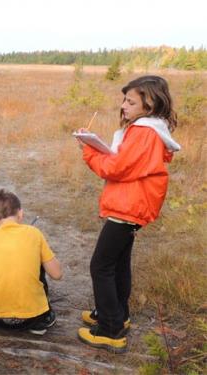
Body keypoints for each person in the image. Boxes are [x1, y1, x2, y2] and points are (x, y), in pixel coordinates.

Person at [76, 75, 181, 353]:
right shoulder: (147, 130)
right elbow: (124, 164)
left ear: (150, 104)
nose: (123, 105)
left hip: (128, 207)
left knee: (101, 265)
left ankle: (110, 330)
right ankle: (116, 315)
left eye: (131, 101)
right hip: (131, 205)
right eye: (124, 99)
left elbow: (116, 168)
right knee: (118, 263)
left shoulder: (144, 132)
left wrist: (88, 152)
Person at [0, 189, 62, 335]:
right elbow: (57, 274)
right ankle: (42, 320)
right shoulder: (34, 234)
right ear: (20, 213)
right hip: (33, 318)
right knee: (40, 264)